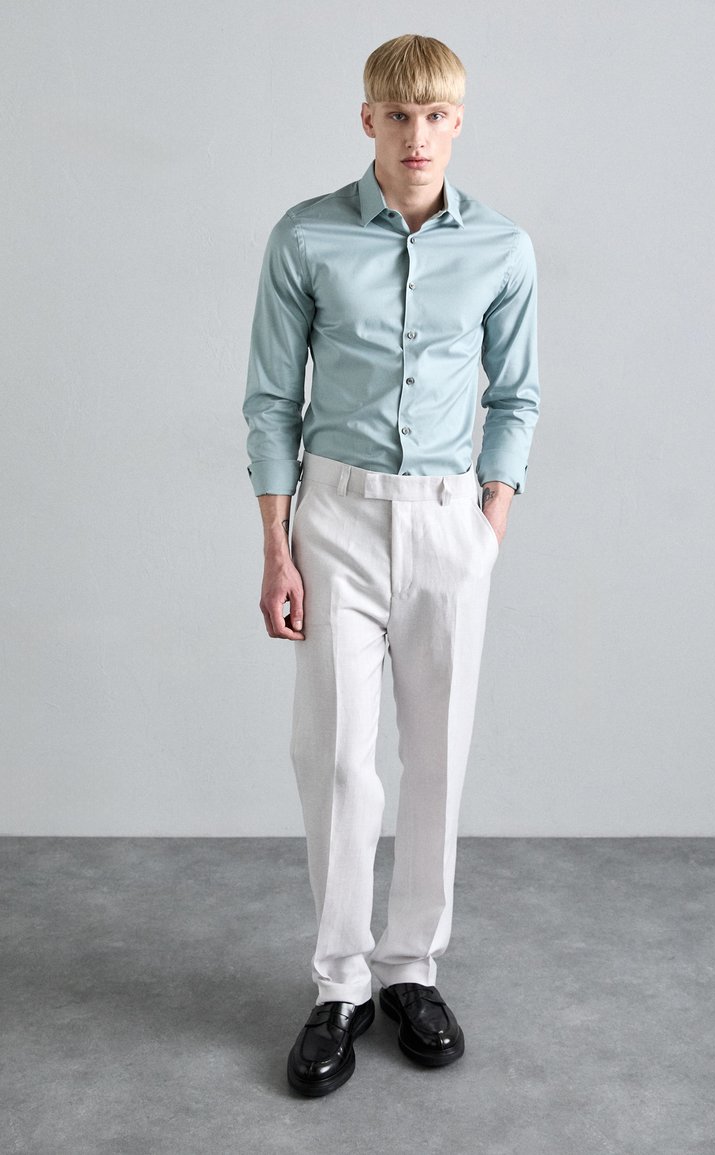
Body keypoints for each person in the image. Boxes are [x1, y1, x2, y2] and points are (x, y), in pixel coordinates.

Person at [242, 33, 541, 1097]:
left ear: (458, 122)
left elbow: (517, 395)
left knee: (436, 758)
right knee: (333, 758)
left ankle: (412, 968)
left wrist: (489, 518)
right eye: (398, 114)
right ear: (366, 118)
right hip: (334, 518)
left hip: (449, 523)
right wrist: (276, 544)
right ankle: (340, 986)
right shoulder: (306, 236)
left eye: (435, 115)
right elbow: (271, 400)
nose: (417, 134)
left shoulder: (501, 247)